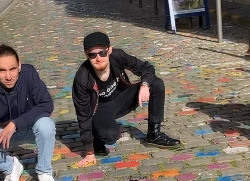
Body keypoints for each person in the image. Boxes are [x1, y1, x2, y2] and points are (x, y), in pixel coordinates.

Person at [73, 32, 181, 168]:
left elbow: (147, 68)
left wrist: (145, 85)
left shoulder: (117, 56)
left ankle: (154, 134)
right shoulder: (82, 78)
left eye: (102, 53)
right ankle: (98, 137)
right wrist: (89, 151)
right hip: (100, 108)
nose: (98, 58)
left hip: (121, 99)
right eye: (92, 55)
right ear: (86, 55)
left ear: (109, 50)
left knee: (157, 84)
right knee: (110, 137)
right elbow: (83, 115)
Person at [0, 45, 58, 181]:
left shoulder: (29, 74)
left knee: (46, 125)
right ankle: (11, 166)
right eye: (2, 70)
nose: (9, 76)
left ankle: (44, 171)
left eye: (12, 69)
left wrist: (15, 123)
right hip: (3, 133)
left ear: (19, 65)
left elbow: (47, 104)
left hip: (29, 127)